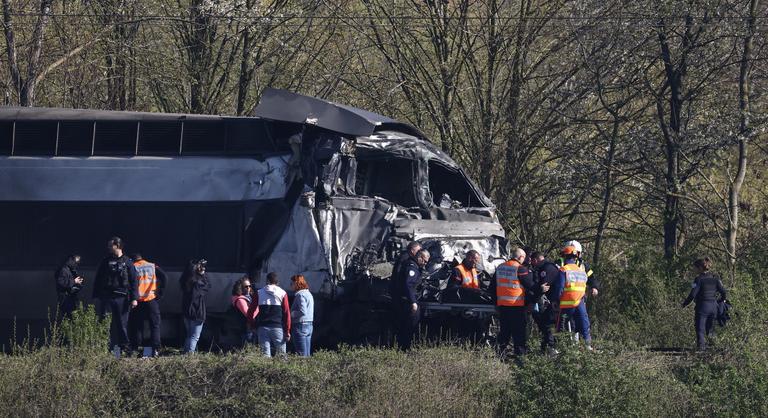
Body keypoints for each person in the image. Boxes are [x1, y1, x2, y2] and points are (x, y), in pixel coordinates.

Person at [93, 237, 138, 356]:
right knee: (105, 323)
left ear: (117, 246)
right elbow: (98, 278)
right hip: (107, 297)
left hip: (122, 298)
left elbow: (134, 281)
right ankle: (107, 349)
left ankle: (123, 350)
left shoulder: (128, 262)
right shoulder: (105, 261)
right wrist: (96, 295)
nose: (108, 248)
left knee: (122, 324)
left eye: (110, 246)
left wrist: (134, 298)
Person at [489, 248, 535, 357]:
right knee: (519, 334)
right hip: (516, 306)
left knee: (504, 332)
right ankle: (520, 358)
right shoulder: (520, 268)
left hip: (503, 306)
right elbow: (531, 286)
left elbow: (492, 288)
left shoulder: (500, 267)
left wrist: (496, 303)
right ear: (521, 257)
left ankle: (499, 355)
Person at [682, 257, 727, 351]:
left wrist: (684, 304)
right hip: (714, 307)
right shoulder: (715, 278)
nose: (693, 270)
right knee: (711, 331)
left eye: (694, 268)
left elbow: (692, 295)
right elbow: (723, 292)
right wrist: (720, 301)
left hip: (702, 307)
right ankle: (714, 351)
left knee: (700, 330)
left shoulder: (698, 279)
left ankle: (701, 353)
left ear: (700, 268)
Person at [128, 253, 167, 357]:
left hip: (137, 301)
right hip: (151, 299)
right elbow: (164, 277)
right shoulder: (152, 266)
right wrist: (160, 293)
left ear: (133, 260)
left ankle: (136, 349)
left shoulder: (133, 267)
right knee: (154, 325)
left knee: (137, 326)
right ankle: (155, 350)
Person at [391, 248, 430, 350]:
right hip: (407, 301)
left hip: (407, 300)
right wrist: (413, 302)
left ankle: (404, 347)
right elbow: (408, 285)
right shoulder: (412, 268)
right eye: (425, 261)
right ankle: (405, 348)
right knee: (410, 325)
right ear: (420, 257)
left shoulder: (415, 266)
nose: (425, 264)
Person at [555, 245, 593, 350]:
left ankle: (558, 349)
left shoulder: (564, 270)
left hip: (566, 304)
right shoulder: (581, 270)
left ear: (564, 256)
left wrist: (556, 301)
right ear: (576, 257)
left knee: (561, 327)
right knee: (584, 325)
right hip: (580, 303)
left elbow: (559, 288)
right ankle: (587, 346)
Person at [252, 272, 291, 358]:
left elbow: (251, 311)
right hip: (278, 328)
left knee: (265, 356)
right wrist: (287, 331)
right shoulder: (283, 293)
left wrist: (253, 325)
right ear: (277, 282)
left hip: (262, 328)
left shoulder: (259, 293)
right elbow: (286, 313)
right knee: (282, 356)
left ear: (267, 281)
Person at [530, 251, 558, 354]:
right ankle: (545, 347)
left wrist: (533, 301)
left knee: (547, 324)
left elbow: (544, 288)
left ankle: (552, 347)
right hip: (554, 301)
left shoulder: (546, 268)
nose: (532, 264)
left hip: (555, 302)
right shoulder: (546, 267)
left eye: (532, 261)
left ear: (535, 260)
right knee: (545, 324)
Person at [179, 259, 210, 354]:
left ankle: (185, 353)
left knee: (189, 335)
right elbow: (208, 285)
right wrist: (202, 274)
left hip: (187, 310)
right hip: (197, 311)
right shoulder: (197, 283)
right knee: (194, 336)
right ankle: (189, 355)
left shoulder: (185, 280)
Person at [290, 274, 315, 357]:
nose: (290, 285)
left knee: (301, 354)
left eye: (292, 283)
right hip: (309, 325)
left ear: (296, 283)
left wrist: (292, 313)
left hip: (300, 325)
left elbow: (302, 311)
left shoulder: (300, 295)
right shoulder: (309, 294)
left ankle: (303, 369)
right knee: (307, 354)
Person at [54, 254, 84, 320]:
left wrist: (78, 283)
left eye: (78, 263)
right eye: (75, 262)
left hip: (71, 299)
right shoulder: (63, 270)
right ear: (70, 260)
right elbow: (61, 283)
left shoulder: (71, 270)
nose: (76, 265)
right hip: (66, 300)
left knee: (74, 319)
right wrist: (74, 281)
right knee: (69, 319)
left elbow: (72, 283)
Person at [231, 276, 258, 345]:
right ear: (241, 288)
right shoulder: (240, 300)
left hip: (249, 327)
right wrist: (258, 308)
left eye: (250, 286)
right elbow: (248, 314)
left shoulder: (249, 297)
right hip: (245, 328)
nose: (248, 288)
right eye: (246, 286)